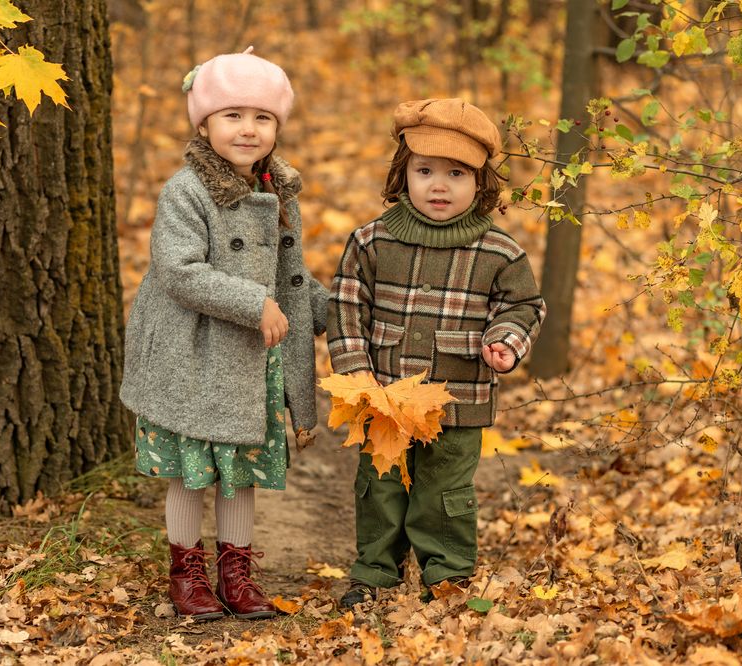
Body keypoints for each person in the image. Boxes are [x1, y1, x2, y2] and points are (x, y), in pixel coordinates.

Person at [120, 47, 328, 621]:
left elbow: (291, 278)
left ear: (277, 127)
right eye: (232, 115)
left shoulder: (281, 193)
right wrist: (251, 301)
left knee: (240, 473)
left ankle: (236, 573)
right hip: (193, 353)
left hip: (248, 359)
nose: (248, 129)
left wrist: (335, 311)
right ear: (204, 121)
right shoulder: (187, 190)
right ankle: (186, 572)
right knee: (191, 471)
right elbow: (178, 270)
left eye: (262, 117)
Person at [326, 98, 546, 607]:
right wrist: (356, 373)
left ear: (481, 182)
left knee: (444, 494)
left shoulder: (499, 251)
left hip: (458, 399)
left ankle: (445, 576)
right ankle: (374, 574)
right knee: (379, 487)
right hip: (382, 398)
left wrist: (505, 342)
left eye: (456, 173)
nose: (439, 185)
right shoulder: (371, 241)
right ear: (403, 175)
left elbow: (524, 306)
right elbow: (345, 305)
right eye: (425, 171)